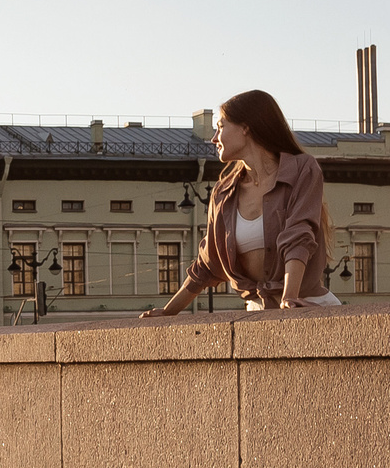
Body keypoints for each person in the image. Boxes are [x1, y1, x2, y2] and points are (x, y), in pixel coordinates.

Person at [142, 89, 341, 315]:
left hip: (308, 306)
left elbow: (298, 235)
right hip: (258, 312)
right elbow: (207, 264)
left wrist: (290, 297)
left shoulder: (301, 169)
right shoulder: (223, 193)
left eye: (221, 127)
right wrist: (170, 310)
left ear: (246, 127)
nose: (214, 138)